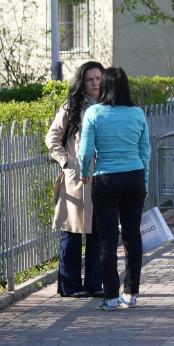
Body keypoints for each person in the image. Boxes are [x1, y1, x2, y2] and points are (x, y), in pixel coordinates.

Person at [78, 67, 151, 311]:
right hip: (134, 177)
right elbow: (145, 151)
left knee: (107, 240)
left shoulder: (94, 112)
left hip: (106, 179)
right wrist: (145, 181)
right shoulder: (138, 113)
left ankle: (110, 297)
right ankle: (131, 294)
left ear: (105, 86)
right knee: (132, 237)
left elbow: (85, 151)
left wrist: (84, 172)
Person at [47, 61, 105, 297]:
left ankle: (94, 284)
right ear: (82, 82)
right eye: (90, 79)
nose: (95, 83)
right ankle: (69, 286)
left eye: (98, 78)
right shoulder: (71, 107)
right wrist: (66, 162)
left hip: (102, 176)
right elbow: (52, 138)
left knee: (98, 233)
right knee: (71, 232)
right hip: (76, 179)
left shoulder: (109, 105)